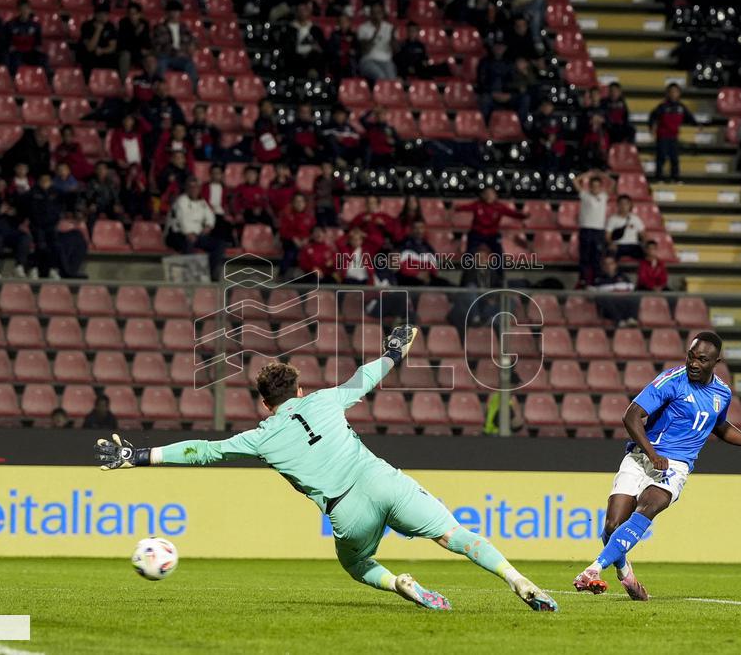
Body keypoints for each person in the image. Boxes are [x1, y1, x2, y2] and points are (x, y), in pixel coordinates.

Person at [95, 326, 559, 613]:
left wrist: (138, 456)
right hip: (380, 479)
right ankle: (519, 581)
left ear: (264, 402)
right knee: (454, 535)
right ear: (298, 390)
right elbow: (364, 378)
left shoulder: (259, 437)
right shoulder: (323, 399)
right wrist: (394, 353)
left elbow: (203, 450)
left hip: (345, 510)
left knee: (357, 565)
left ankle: (399, 583)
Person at [573, 332, 741, 600]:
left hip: (675, 466)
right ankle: (625, 572)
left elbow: (720, 427)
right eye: (691, 356)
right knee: (613, 526)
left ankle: (592, 570)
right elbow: (631, 416)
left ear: (716, 362)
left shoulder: (722, 393)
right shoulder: (672, 381)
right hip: (642, 456)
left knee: (647, 508)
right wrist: (651, 455)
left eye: (702, 359)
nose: (694, 364)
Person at [165, 177, 225, 277]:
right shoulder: (181, 201)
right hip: (178, 234)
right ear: (187, 188)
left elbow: (210, 216)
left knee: (219, 244)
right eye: (191, 187)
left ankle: (212, 273)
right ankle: (189, 276)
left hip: (197, 235)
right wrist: (188, 233)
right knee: (189, 243)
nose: (194, 190)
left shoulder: (202, 202)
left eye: (196, 187)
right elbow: (182, 220)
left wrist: (208, 226)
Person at [455, 187, 526, 258]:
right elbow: (465, 207)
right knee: (469, 253)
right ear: (483, 195)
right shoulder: (477, 205)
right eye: (487, 194)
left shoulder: (500, 207)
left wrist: (523, 216)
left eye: (491, 194)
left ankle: (499, 269)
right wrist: (457, 208)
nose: (489, 196)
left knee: (499, 255)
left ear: (495, 196)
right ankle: (468, 268)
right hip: (477, 233)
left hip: (492, 235)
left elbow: (512, 213)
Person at [648, 83, 696, 181]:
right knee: (661, 157)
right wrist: (652, 128)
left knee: (674, 158)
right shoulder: (662, 107)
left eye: (676, 92)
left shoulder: (681, 107)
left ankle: (675, 178)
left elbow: (690, 118)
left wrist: (697, 125)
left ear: (679, 93)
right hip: (662, 136)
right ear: (667, 93)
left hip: (674, 136)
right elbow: (653, 117)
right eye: (671, 92)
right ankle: (659, 178)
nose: (673, 94)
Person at [151, 0, 198, 83]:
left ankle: (194, 91)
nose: (174, 14)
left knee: (190, 66)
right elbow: (157, 44)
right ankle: (158, 89)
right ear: (167, 13)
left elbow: (192, 41)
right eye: (172, 11)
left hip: (181, 57)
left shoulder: (184, 28)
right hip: (165, 56)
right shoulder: (159, 28)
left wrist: (191, 46)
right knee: (160, 66)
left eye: (176, 11)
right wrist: (174, 52)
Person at [575, 171, 609, 285]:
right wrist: (587, 174)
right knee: (584, 256)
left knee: (597, 257)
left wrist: (602, 175)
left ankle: (597, 278)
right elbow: (575, 181)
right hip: (586, 229)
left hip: (599, 230)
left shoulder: (604, 196)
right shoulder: (585, 195)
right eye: (593, 186)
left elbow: (613, 183)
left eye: (597, 186)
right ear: (589, 187)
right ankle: (583, 279)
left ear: (600, 187)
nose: (595, 188)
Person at [3, 0, 47, 76]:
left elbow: (38, 43)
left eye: (26, 9)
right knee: (11, 58)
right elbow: (7, 42)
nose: (24, 11)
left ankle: (43, 79)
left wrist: (37, 48)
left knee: (42, 57)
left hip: (30, 52)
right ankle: (13, 79)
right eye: (22, 9)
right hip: (17, 52)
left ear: (30, 10)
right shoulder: (10, 25)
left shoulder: (36, 26)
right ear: (18, 10)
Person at [591, 255, 639, 327]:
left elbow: (631, 288)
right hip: (608, 310)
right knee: (603, 297)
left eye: (611, 263)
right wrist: (615, 289)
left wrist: (614, 289)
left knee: (636, 296)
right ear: (602, 266)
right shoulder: (599, 279)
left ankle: (631, 319)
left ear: (615, 265)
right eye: (606, 264)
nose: (608, 266)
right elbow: (596, 291)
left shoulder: (623, 276)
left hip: (623, 304)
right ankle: (619, 321)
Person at [76, 2, 118, 81]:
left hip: (104, 54)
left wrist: (102, 51)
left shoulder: (110, 26)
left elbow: (112, 46)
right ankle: (87, 84)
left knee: (113, 59)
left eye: (106, 15)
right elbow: (90, 48)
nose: (103, 17)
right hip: (89, 55)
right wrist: (98, 30)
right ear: (96, 15)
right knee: (88, 58)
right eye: (101, 14)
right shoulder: (86, 26)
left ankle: (110, 83)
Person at [357, 2, 397, 81]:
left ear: (383, 13)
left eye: (379, 12)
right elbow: (364, 50)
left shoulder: (389, 27)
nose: (376, 15)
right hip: (368, 61)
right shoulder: (363, 28)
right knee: (381, 78)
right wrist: (375, 35)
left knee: (392, 80)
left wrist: (392, 38)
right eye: (374, 13)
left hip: (386, 61)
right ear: (370, 14)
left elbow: (396, 50)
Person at [278, 192, 317, 276]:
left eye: (301, 201)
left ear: (305, 203)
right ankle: (282, 276)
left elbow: (314, 231)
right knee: (291, 253)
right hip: (291, 242)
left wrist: (308, 239)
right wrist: (293, 238)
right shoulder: (287, 216)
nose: (299, 204)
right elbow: (283, 231)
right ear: (293, 203)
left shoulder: (309, 217)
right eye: (297, 201)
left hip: (307, 243)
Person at [286, 1, 326, 79]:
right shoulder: (290, 29)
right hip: (296, 60)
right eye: (300, 10)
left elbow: (321, 47)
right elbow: (289, 48)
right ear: (297, 12)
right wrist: (310, 48)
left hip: (312, 59)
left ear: (309, 12)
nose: (302, 13)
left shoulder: (316, 30)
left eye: (305, 10)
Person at [117, 2, 152, 80]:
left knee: (151, 59)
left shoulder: (144, 24)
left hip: (139, 53)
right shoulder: (123, 23)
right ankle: (123, 84)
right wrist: (136, 33)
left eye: (134, 13)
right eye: (130, 13)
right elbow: (123, 44)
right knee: (125, 56)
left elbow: (147, 43)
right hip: (128, 52)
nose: (132, 16)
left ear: (139, 14)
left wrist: (145, 49)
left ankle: (150, 84)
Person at [605, 194, 645, 261]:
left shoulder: (635, 219)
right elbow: (607, 236)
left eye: (626, 204)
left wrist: (645, 244)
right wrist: (610, 244)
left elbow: (643, 234)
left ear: (630, 205)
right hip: (618, 245)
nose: (623, 206)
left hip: (633, 245)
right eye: (621, 204)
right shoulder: (612, 219)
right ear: (617, 205)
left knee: (646, 254)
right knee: (610, 255)